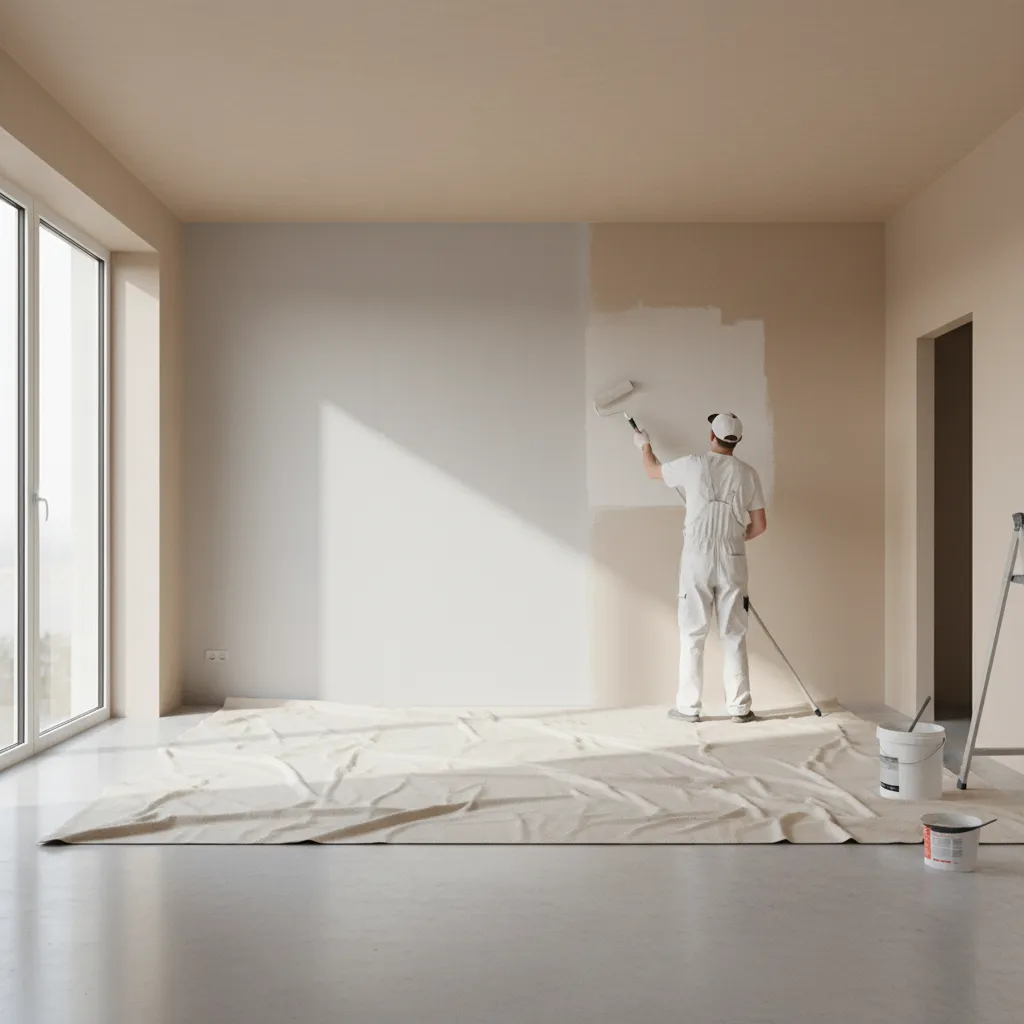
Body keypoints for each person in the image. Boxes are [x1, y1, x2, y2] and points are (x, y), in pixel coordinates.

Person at [633, 413, 767, 723]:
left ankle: (688, 708)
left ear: (711, 436)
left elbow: (653, 471)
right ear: (738, 441)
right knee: (734, 633)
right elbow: (759, 526)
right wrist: (735, 537)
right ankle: (740, 709)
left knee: (693, 633)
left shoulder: (693, 464)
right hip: (733, 557)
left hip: (698, 557)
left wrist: (644, 444)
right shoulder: (748, 474)